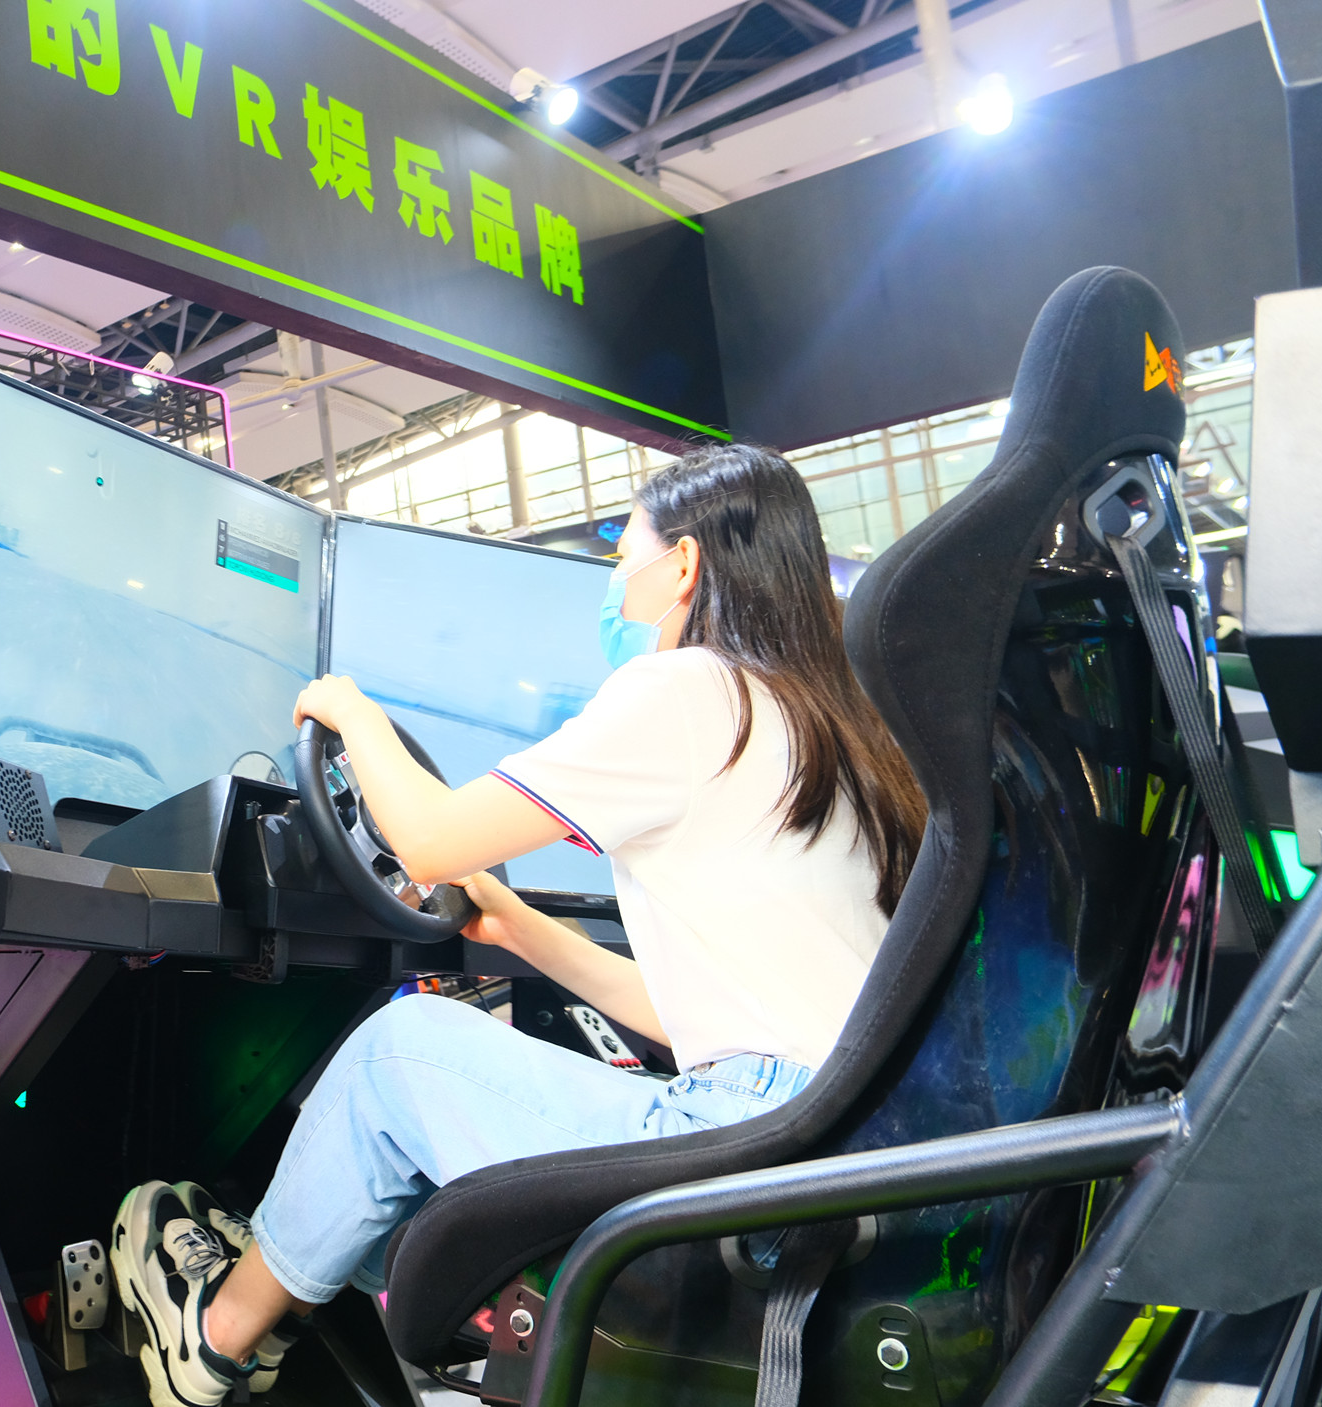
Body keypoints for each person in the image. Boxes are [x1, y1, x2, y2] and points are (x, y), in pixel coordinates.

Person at [106, 442, 928, 1407]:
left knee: (393, 1055)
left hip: (742, 1140)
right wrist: (526, 927)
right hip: (827, 1154)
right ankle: (285, 1305)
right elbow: (700, 1016)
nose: (616, 584)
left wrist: (351, 712)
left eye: (623, 558)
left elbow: (427, 841)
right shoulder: (842, 736)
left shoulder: (691, 689)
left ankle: (212, 1335)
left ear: (684, 565)